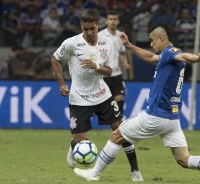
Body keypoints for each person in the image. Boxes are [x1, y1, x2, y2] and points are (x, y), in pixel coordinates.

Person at [74, 24, 200, 184]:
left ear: (161, 38)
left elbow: (184, 56)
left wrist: (198, 58)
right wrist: (130, 46)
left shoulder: (171, 52)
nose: (150, 43)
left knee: (115, 136)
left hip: (155, 115)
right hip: (172, 119)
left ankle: (93, 174)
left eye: (152, 40)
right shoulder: (166, 56)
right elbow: (150, 57)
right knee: (183, 159)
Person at [50, 9, 142, 181]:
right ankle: (74, 144)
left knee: (121, 131)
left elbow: (109, 71)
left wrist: (96, 66)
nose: (89, 32)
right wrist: (62, 84)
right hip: (79, 98)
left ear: (98, 25)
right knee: (81, 141)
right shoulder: (72, 43)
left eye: (92, 28)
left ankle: (135, 171)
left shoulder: (107, 42)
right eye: (85, 29)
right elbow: (55, 59)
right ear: (81, 27)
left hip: (102, 95)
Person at [98, 10, 129, 116]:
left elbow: (122, 52)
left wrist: (125, 63)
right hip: (104, 74)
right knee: (101, 102)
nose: (113, 21)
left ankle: (118, 126)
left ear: (118, 21)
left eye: (115, 19)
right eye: (110, 19)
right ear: (106, 21)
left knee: (120, 99)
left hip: (116, 74)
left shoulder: (121, 35)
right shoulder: (100, 35)